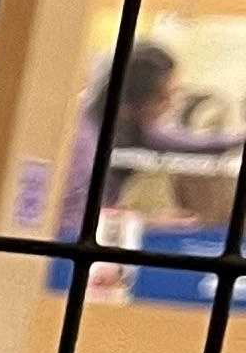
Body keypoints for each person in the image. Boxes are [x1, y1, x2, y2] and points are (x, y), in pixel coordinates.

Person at [60, 40, 246, 243]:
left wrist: (239, 140)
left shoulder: (130, 123)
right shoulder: (83, 142)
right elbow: (71, 224)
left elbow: (189, 142)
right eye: (163, 99)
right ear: (130, 103)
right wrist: (147, 224)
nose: (172, 105)